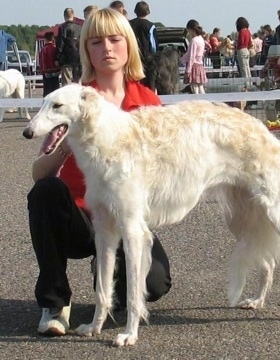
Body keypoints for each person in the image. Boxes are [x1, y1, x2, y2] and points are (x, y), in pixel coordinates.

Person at [27, 7, 172, 337]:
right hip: (78, 216)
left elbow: (159, 171)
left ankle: (107, 276)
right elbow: (39, 172)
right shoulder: (70, 99)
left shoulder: (147, 100)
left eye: (114, 39)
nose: (106, 48)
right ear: (86, 50)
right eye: (95, 41)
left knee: (156, 283)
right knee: (45, 191)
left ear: (128, 46)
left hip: (125, 215)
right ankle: (54, 302)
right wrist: (67, 143)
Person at [55, 7, 82, 85]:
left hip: (66, 59)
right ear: (73, 15)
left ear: (64, 16)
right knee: (77, 82)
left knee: (67, 83)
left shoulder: (62, 28)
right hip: (78, 58)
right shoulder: (79, 28)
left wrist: (57, 58)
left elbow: (60, 44)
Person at [180, 19, 207, 94]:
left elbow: (191, 56)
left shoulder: (194, 41)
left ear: (191, 29)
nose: (188, 33)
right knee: (201, 88)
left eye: (188, 30)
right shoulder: (201, 39)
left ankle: (197, 104)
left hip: (193, 67)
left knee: (194, 89)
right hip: (200, 66)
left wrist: (187, 71)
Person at [129, 1, 158, 66]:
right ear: (147, 12)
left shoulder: (128, 24)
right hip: (146, 58)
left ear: (135, 11)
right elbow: (153, 45)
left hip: (132, 57)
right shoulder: (150, 25)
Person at [39, 31, 60, 97]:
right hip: (55, 72)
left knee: (47, 92)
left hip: (47, 73)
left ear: (45, 39)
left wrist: (43, 71)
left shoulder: (44, 49)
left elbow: (43, 61)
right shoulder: (55, 48)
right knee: (56, 90)